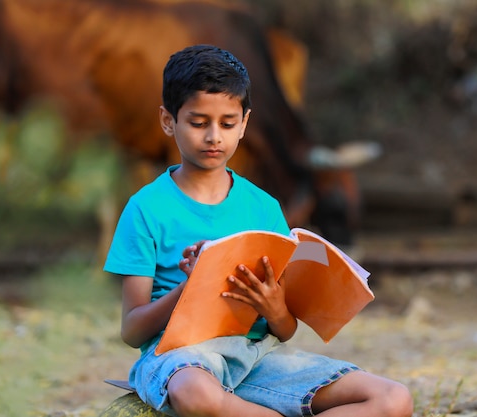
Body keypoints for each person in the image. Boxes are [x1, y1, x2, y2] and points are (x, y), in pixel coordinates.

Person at [103, 44, 413, 417]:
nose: (214, 136)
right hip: (178, 361)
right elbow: (133, 330)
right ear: (169, 121)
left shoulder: (263, 207)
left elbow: (284, 331)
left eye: (227, 123)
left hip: (256, 359)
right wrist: (190, 288)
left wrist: (274, 306)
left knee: (394, 399)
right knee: (196, 395)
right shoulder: (145, 209)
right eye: (199, 123)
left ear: (244, 123)